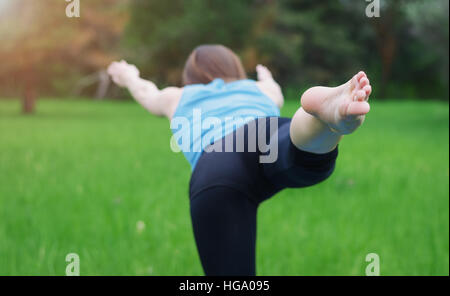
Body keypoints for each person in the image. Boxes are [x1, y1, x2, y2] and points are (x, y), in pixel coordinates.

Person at [107, 44, 372, 276]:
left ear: (189, 77)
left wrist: (129, 76)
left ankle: (327, 118)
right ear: (235, 68)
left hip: (216, 165)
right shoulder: (259, 89)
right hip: (263, 130)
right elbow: (275, 91)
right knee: (299, 153)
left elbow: (146, 93)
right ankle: (325, 120)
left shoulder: (177, 97)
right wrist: (265, 77)